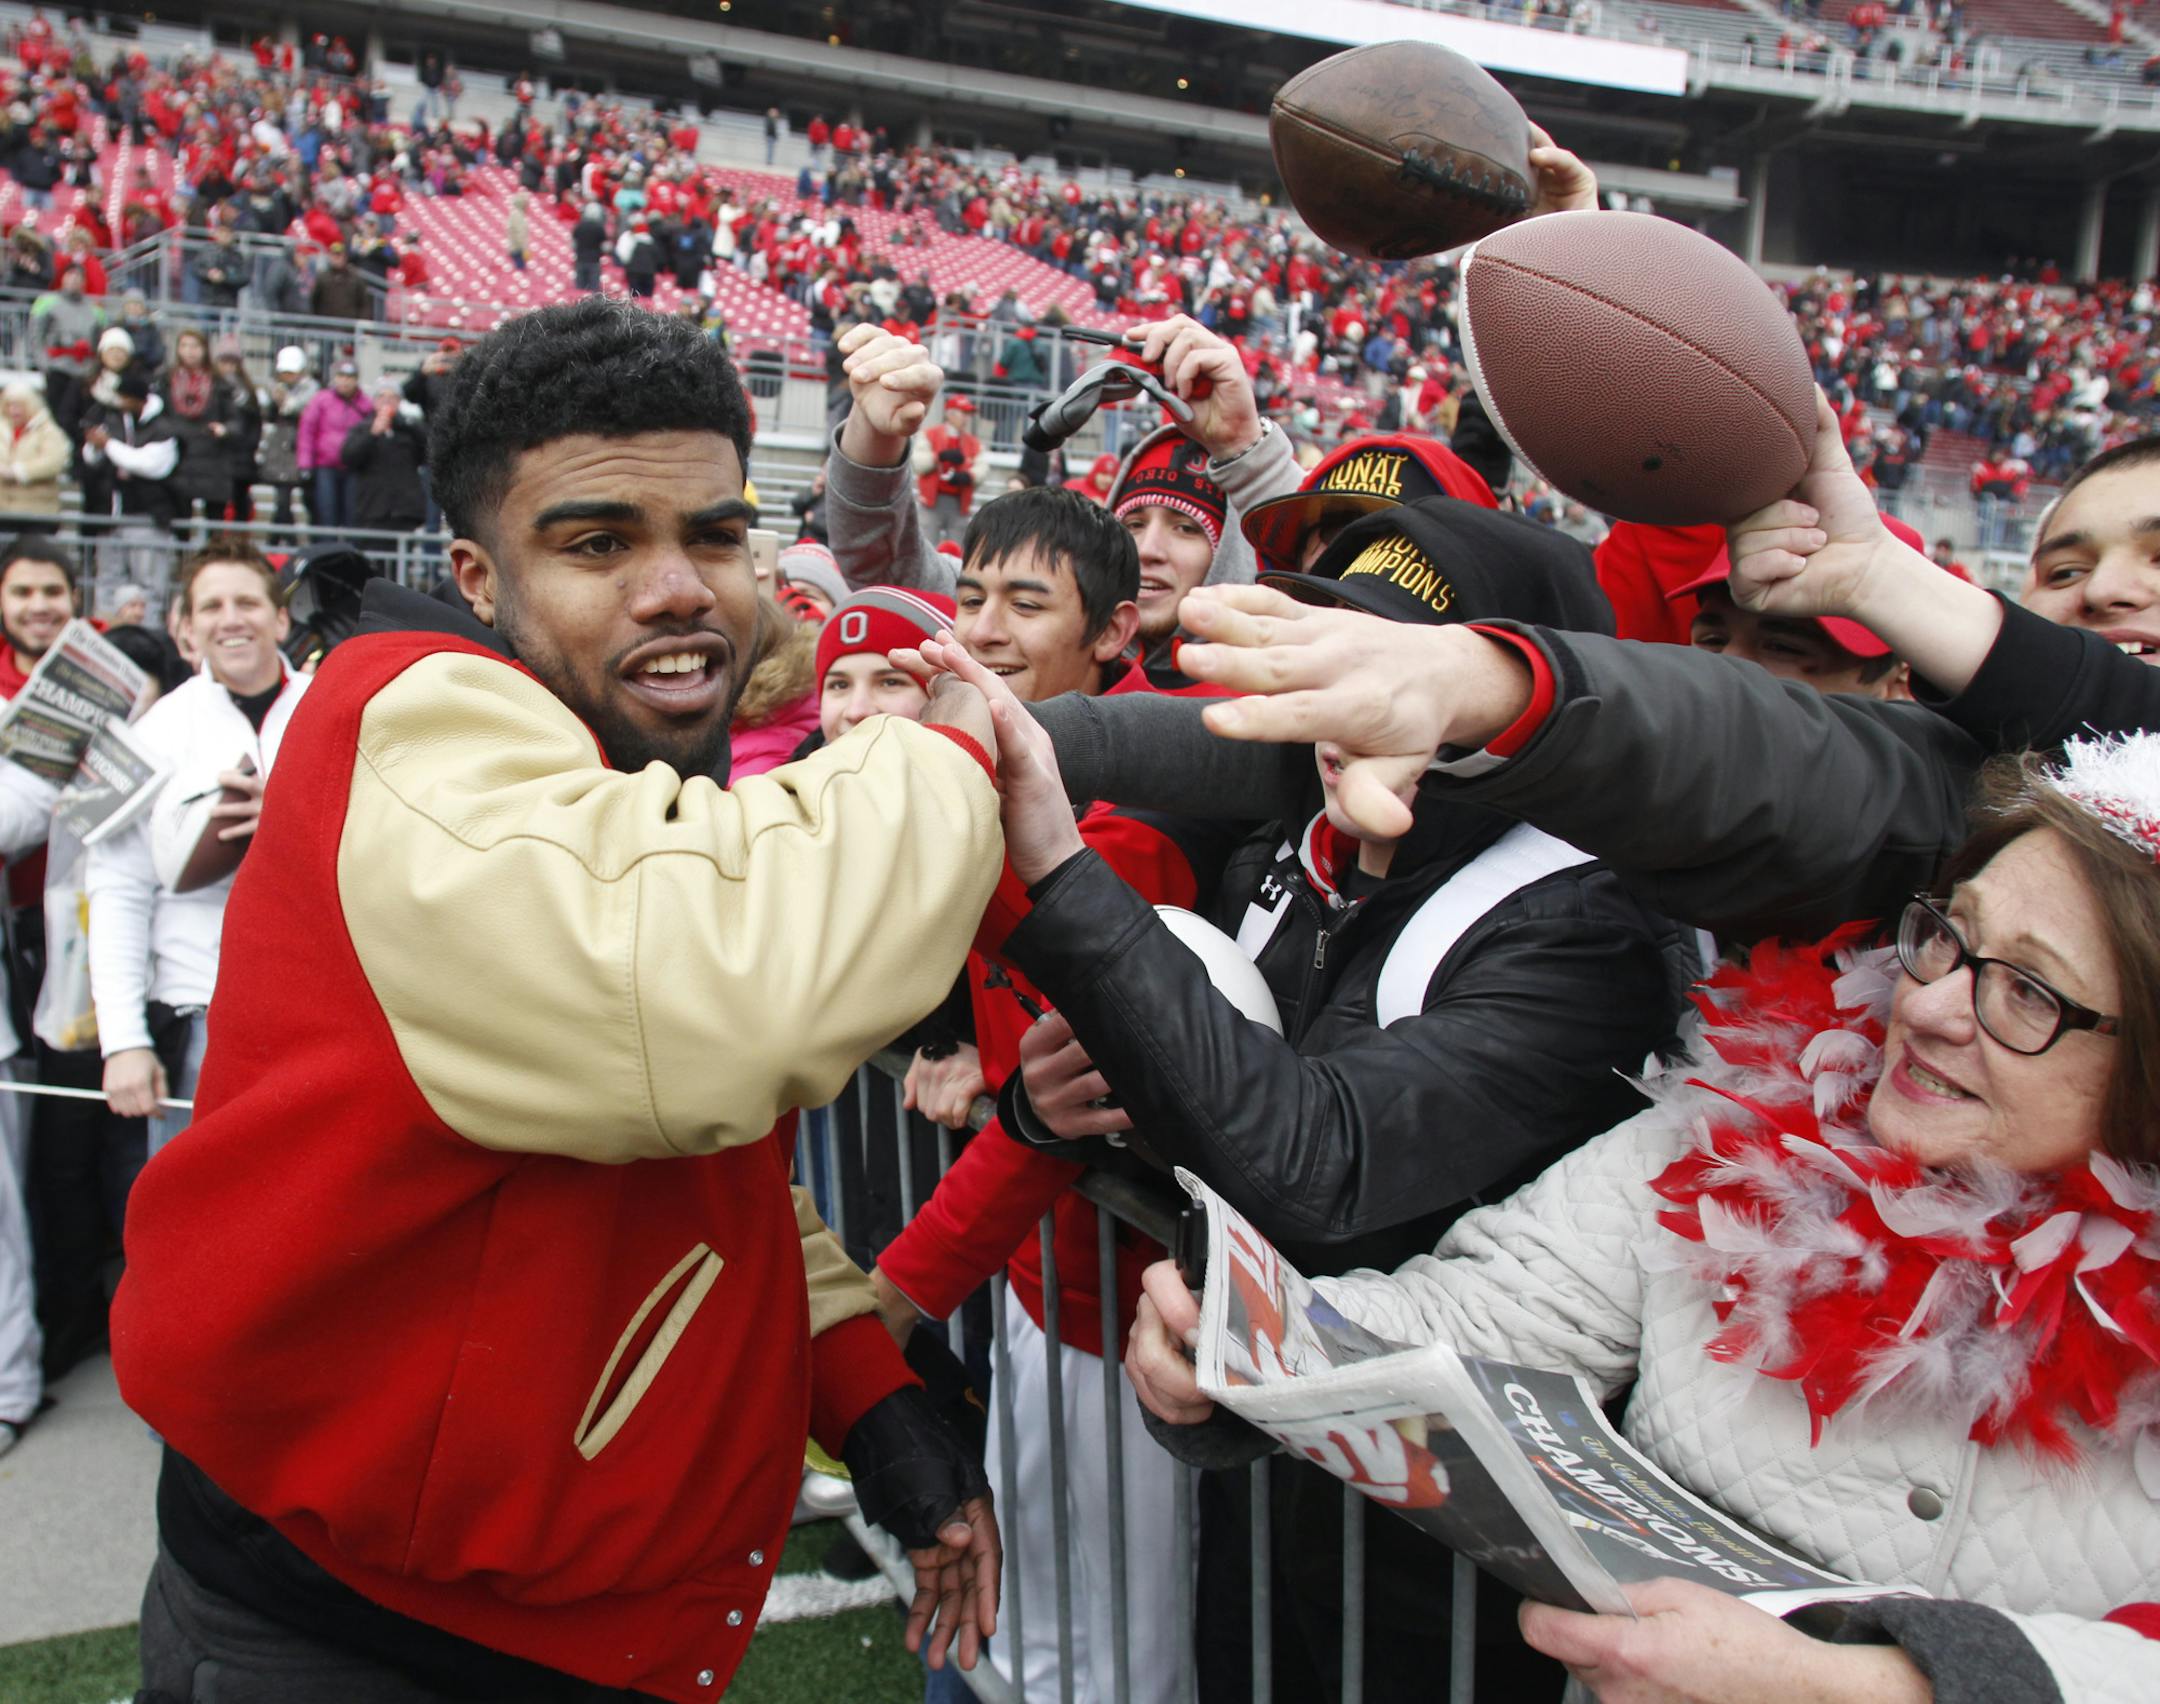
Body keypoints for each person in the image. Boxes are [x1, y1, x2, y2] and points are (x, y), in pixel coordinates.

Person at [115, 298, 1005, 1703]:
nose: (678, 586)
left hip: (537, 1611)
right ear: (475, 577)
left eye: (714, 536)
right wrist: (951, 743)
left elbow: (694, 1166)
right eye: (598, 543)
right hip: (368, 1637)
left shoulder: (583, 749)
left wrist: (859, 1383)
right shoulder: (406, 714)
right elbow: (714, 1009)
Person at [1125, 738, 2160, 1702]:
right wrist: (1251, 1350)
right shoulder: (1731, 1140)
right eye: (1947, 938)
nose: (1929, 1007)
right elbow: (1489, 1318)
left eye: (2028, 992)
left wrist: (1889, 1686)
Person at [870, 486, 1198, 1704]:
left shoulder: (1121, 836)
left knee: (1111, 1654)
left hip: (1122, 1319)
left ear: (1114, 635)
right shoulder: (988, 778)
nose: (987, 628)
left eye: (1026, 601)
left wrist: (902, 1287)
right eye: (971, 595)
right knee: (1044, 1625)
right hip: (1036, 1282)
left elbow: (1069, 1107)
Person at [87, 546, 308, 1156]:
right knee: (195, 1223)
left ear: (281, 619)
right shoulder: (159, 727)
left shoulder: (332, 712)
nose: (230, 618)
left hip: (314, 1013)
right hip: (198, 1011)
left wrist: (291, 821)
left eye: (247, 602)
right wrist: (124, 1040)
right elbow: (117, 886)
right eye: (211, 606)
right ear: (187, 627)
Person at [79, 368, 181, 594]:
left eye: (123, 397)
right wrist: (95, 445)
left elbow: (149, 465)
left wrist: (108, 445)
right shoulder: (111, 419)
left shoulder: (162, 427)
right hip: (111, 515)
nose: (119, 402)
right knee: (107, 583)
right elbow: (91, 459)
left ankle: (149, 629)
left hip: (147, 517)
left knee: (149, 587)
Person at [339, 380, 428, 537]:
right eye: (382, 396)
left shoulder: (410, 428)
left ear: (400, 401)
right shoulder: (362, 428)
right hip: (373, 508)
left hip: (405, 510)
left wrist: (406, 425)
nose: (387, 401)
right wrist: (372, 434)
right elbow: (348, 458)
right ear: (374, 401)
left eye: (393, 397)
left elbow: (428, 452)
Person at [298, 360, 368, 531]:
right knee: (325, 514)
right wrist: (305, 464)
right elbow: (307, 431)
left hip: (353, 467)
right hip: (325, 466)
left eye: (349, 377)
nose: (345, 381)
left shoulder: (365, 404)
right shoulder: (321, 400)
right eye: (341, 376)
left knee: (352, 516)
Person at [257, 347, 317, 533]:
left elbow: (307, 414)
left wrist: (288, 403)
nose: (287, 376)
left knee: (306, 503)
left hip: (302, 452)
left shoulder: (311, 391)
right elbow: (268, 416)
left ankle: (285, 541)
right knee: (282, 502)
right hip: (280, 453)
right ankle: (279, 542)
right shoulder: (273, 390)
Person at [0, 381, 71, 513]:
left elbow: (54, 462)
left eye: (18, 406)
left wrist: (18, 471)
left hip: (37, 510)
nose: (13, 411)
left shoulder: (48, 431)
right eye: (9, 405)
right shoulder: (2, 429)